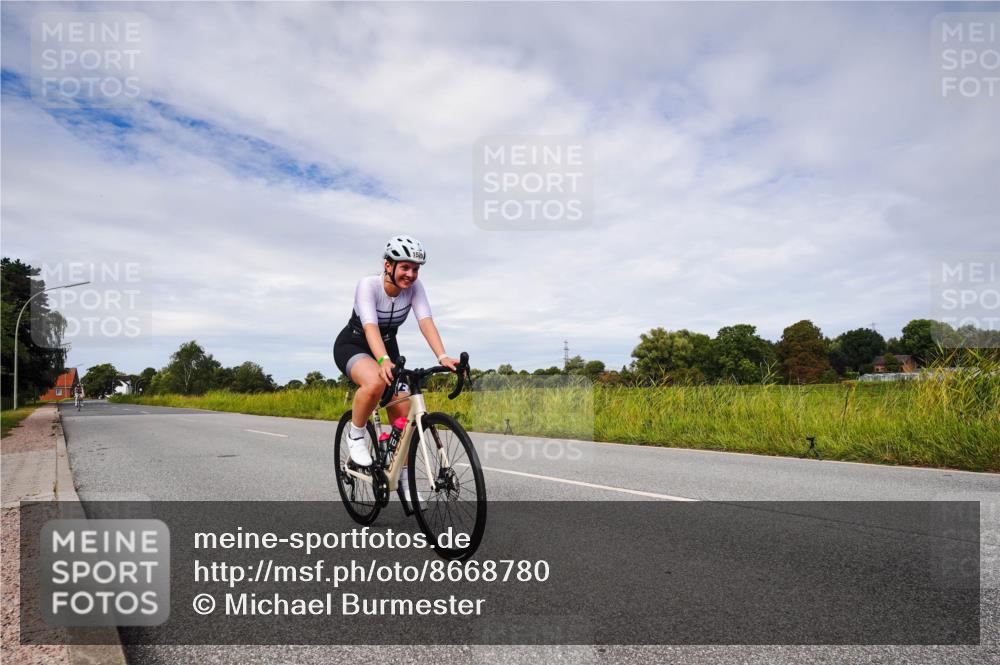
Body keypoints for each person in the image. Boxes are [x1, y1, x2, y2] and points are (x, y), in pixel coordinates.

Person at [333, 236, 457, 501]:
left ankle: (403, 480)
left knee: (405, 419)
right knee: (376, 383)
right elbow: (370, 327)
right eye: (405, 267)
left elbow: (425, 321)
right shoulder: (368, 285)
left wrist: (443, 355)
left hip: (388, 348)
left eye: (415, 269)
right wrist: (382, 361)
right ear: (388, 265)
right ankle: (355, 436)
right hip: (354, 344)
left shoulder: (415, 288)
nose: (410, 274)